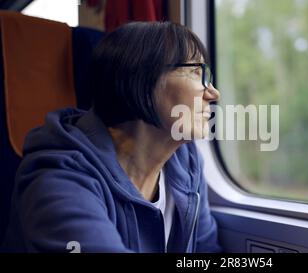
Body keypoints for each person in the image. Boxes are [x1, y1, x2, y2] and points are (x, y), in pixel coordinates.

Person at [2, 21, 222, 253]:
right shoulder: (57, 181)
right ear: (143, 80)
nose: (213, 93)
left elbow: (206, 251)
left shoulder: (185, 161)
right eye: (197, 73)